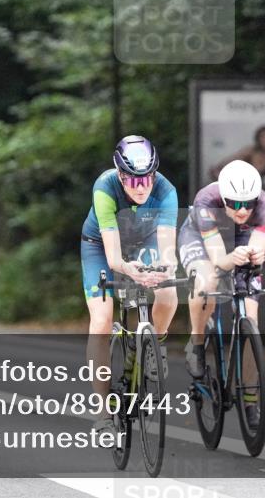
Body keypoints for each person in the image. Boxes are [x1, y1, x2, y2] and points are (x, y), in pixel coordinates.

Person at [81, 135, 179, 437]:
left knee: (168, 292)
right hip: (100, 246)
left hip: (144, 241)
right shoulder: (105, 188)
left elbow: (166, 249)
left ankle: (153, 345)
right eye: (132, 180)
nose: (141, 187)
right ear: (120, 175)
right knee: (101, 321)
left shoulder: (166, 191)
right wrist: (129, 269)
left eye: (147, 179)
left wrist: (165, 268)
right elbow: (113, 258)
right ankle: (102, 412)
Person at [179, 159, 265, 427]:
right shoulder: (206, 200)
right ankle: (197, 345)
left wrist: (254, 256)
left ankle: (251, 398)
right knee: (207, 281)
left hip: (240, 239)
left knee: (251, 320)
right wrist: (230, 260)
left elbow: (256, 251)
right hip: (201, 237)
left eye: (249, 203)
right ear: (223, 197)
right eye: (234, 203)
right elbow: (220, 260)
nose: (243, 209)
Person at [209, 125, 265, 191]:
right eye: (262, 137)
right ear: (258, 139)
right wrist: (218, 169)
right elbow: (232, 159)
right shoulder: (250, 151)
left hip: (254, 187)